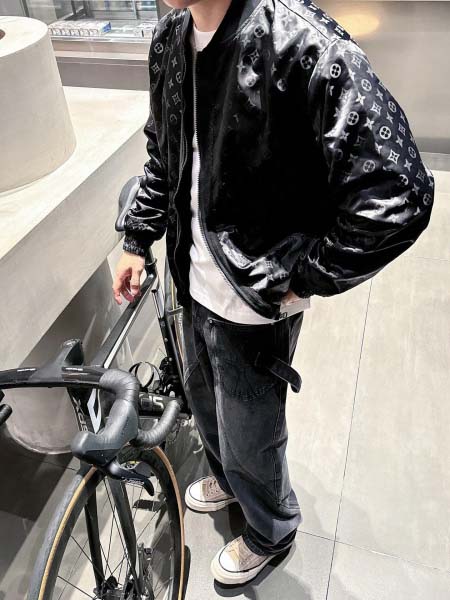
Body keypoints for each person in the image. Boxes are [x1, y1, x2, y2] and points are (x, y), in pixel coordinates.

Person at [112, 0, 434, 586]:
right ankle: (232, 483)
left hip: (254, 301)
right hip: (191, 276)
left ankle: (271, 531)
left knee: (251, 433)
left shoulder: (302, 43)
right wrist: (138, 237)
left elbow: (398, 193)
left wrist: (304, 274)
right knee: (205, 404)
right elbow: (166, 152)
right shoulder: (171, 38)